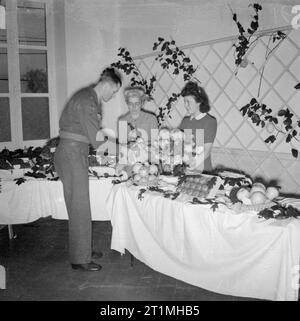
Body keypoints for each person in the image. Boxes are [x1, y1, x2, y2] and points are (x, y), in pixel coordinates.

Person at [54, 67, 122, 272]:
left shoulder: (88, 97)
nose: (113, 95)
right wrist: (123, 150)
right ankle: (80, 259)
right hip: (72, 154)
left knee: (80, 205)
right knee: (79, 206)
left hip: (74, 153)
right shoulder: (87, 101)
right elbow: (98, 139)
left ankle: (82, 250)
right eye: (115, 91)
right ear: (108, 84)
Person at [179, 81, 217, 172]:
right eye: (184, 102)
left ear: (198, 102)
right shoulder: (185, 121)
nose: (185, 105)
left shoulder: (210, 121)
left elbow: (206, 151)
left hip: (203, 172)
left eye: (188, 102)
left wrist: (192, 165)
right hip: (184, 170)